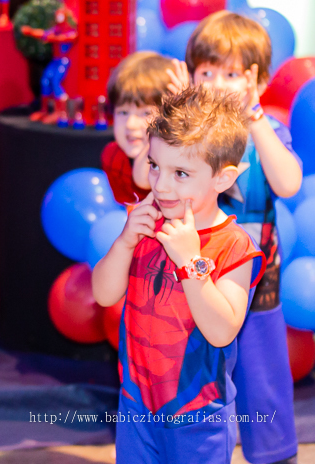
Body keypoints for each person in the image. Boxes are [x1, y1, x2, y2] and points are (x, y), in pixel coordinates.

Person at [92, 86, 263, 464]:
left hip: (198, 415)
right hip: (136, 405)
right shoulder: (148, 224)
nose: (161, 184)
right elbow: (103, 295)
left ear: (223, 178)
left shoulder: (234, 245)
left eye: (180, 173)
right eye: (155, 165)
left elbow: (222, 331)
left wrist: (191, 262)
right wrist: (123, 243)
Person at [180, 11, 302, 464]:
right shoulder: (185, 137)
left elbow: (288, 183)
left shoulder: (266, 131)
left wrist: (254, 118)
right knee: (197, 377)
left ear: (259, 82)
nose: (216, 84)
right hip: (198, 279)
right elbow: (149, 177)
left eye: (232, 74)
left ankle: (273, 452)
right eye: (207, 71)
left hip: (257, 283)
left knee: (262, 373)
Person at [100, 51, 174, 204]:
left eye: (146, 112)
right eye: (123, 112)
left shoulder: (175, 160)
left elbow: (143, 178)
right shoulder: (112, 156)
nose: (130, 124)